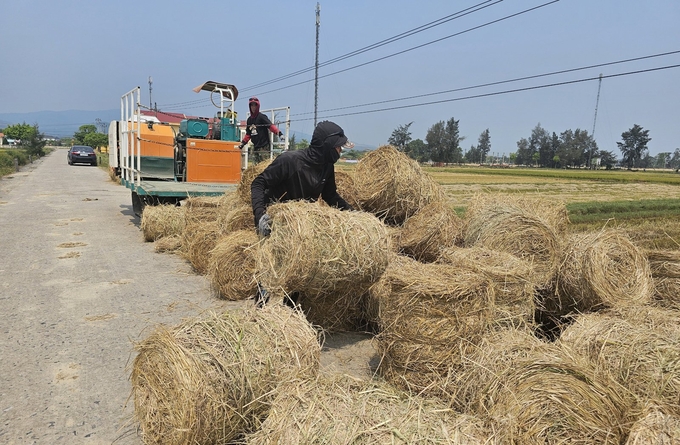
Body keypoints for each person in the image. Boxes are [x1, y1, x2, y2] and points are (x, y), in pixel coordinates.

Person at [250, 120, 355, 306]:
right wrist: (260, 216)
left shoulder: (326, 167)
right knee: (271, 268)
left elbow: (330, 195)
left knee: (299, 269)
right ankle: (260, 311)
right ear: (327, 146)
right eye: (338, 147)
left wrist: (355, 215)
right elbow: (258, 183)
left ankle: (289, 316)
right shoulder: (289, 161)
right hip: (276, 223)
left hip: (301, 227)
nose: (340, 151)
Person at [238, 97, 283, 163]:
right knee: (255, 167)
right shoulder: (249, 120)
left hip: (264, 147)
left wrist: (279, 133)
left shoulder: (261, 117)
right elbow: (248, 134)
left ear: (258, 106)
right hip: (256, 147)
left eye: (255, 105)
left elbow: (270, 126)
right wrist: (243, 143)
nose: (253, 107)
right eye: (251, 105)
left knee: (264, 166)